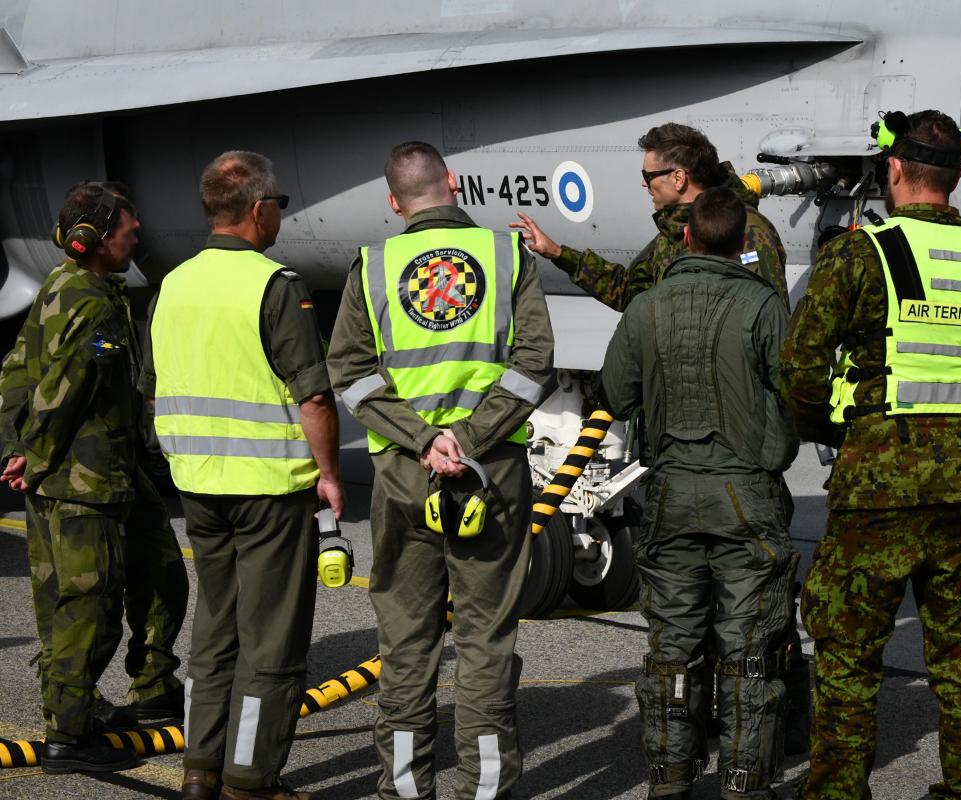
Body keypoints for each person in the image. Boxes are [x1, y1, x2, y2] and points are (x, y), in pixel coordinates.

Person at [782, 109, 961, 800]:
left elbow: (800, 367)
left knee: (847, 656)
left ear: (893, 170)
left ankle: (838, 791)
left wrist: (839, 432)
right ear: (957, 176)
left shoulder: (858, 255)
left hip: (877, 489)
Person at [327, 141, 554, 800]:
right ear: (453, 185)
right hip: (493, 475)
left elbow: (349, 372)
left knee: (405, 642)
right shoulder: (507, 256)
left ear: (394, 203)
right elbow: (535, 359)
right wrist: (471, 438)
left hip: (403, 474)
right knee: (485, 641)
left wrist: (425, 440)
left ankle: (401, 791)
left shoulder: (372, 268)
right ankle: (484, 792)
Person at [142, 151, 343, 800]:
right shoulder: (274, 284)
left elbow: (152, 390)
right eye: (278, 204)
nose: (279, 214)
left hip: (197, 485)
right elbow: (313, 397)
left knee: (216, 628)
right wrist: (331, 473)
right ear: (258, 210)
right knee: (272, 644)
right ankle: (252, 778)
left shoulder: (173, 283)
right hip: (267, 490)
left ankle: (201, 768)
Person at [599, 186, 798, 800]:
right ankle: (743, 784)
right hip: (747, 495)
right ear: (744, 242)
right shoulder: (764, 306)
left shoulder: (646, 308)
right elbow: (795, 391)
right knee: (749, 654)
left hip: (670, 497)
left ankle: (669, 780)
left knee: (672, 650)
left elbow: (615, 394)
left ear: (684, 236)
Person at [0, 182, 189, 774]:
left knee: (161, 573)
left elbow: (14, 370)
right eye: (127, 229)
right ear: (96, 239)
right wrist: (32, 450)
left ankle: (154, 685)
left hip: (113, 472)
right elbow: (65, 387)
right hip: (83, 481)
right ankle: (69, 732)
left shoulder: (66, 287)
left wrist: (16, 447)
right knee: (86, 605)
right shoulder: (89, 300)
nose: (137, 236)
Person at [511, 121, 789, 310]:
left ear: (678, 178)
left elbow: (767, 319)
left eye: (648, 175)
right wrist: (559, 254)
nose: (645, 184)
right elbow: (630, 292)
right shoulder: (672, 234)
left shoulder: (748, 230)